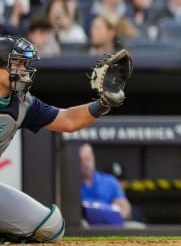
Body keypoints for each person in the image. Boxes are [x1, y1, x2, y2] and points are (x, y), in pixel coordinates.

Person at [0, 35, 130, 242]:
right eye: (16, 64)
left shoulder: (22, 102)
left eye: (24, 64)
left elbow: (67, 120)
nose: (23, 70)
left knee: (51, 227)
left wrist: (103, 104)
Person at [79, 142, 132, 224]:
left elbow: (126, 209)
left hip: (107, 227)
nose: (85, 164)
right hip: (83, 227)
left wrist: (109, 214)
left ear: (93, 158)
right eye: (81, 160)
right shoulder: (69, 184)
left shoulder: (110, 181)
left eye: (87, 159)